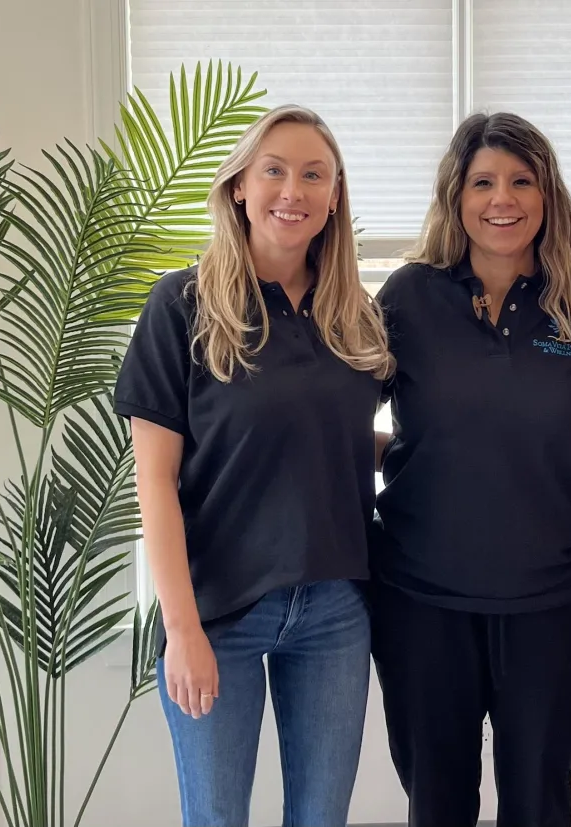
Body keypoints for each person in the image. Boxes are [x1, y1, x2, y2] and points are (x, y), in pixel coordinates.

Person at [113, 104, 392, 827]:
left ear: (334, 196)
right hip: (217, 609)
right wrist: (181, 629)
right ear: (239, 185)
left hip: (335, 606)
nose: (293, 191)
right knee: (216, 817)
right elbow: (154, 481)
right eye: (274, 171)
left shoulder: (355, 314)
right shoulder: (182, 304)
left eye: (314, 175)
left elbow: (337, 442)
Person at [370, 111, 571, 827]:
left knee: (538, 801)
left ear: (547, 194)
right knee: (436, 801)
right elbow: (337, 413)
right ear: (457, 194)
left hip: (553, 599)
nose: (501, 198)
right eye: (482, 182)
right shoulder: (407, 297)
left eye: (521, 180)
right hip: (421, 596)